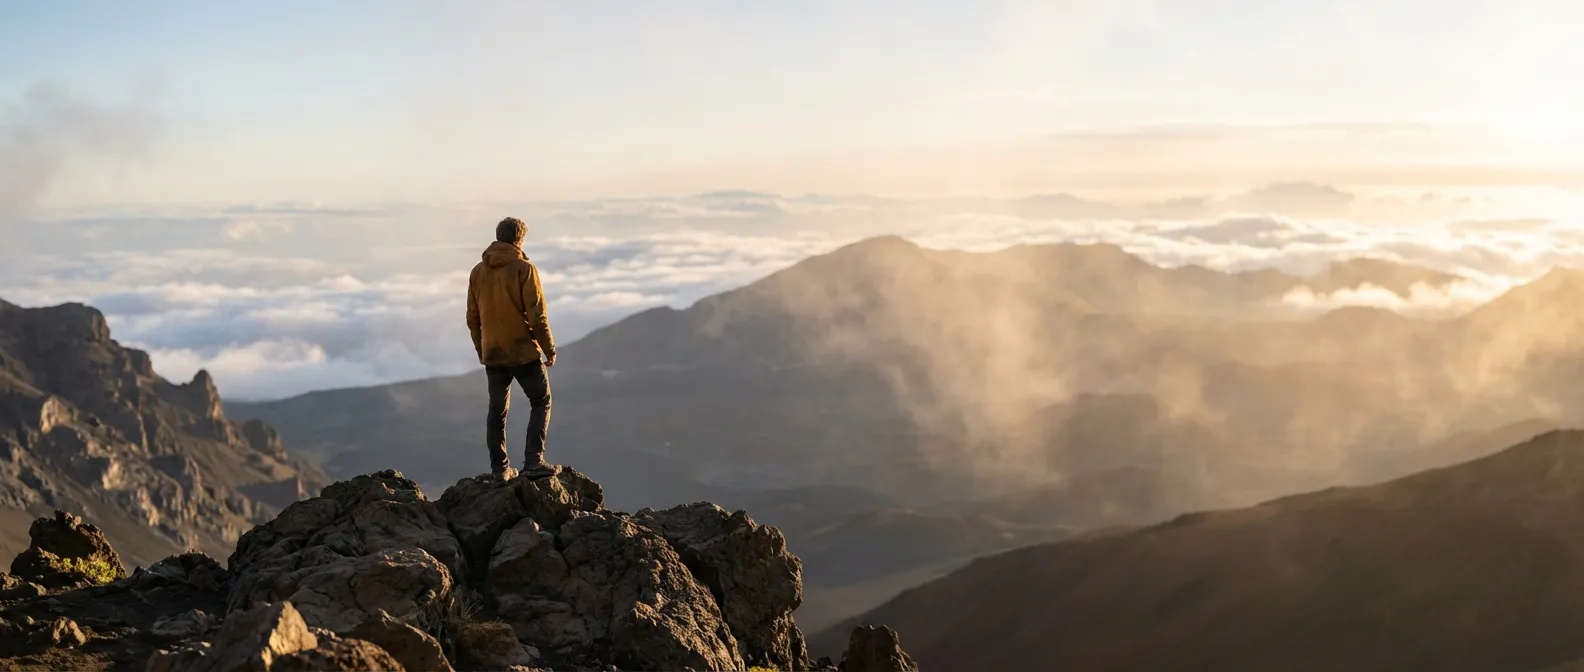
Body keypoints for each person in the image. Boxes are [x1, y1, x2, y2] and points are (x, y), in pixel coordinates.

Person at [466, 217, 558, 481]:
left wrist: (482, 349)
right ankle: (533, 462)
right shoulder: (524, 269)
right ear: (520, 239)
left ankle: (499, 470)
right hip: (522, 351)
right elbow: (537, 315)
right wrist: (548, 349)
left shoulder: (477, 272)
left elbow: (473, 317)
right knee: (541, 401)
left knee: (497, 410)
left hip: (493, 352)